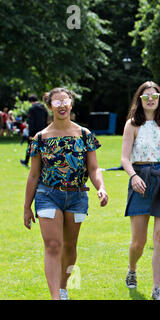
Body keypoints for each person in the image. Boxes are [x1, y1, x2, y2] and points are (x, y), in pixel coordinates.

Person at [23, 87, 108, 300]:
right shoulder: (40, 138)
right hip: (47, 194)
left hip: (77, 196)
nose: (62, 106)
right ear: (50, 106)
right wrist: (26, 207)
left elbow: (94, 168)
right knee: (53, 245)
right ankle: (55, 297)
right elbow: (33, 175)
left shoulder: (84, 134)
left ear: (71, 104)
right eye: (57, 102)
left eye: (65, 101)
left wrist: (101, 188)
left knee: (70, 246)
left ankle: (63, 288)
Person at [121, 81, 160, 300]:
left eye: (154, 95)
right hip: (141, 179)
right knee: (139, 241)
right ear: (139, 99)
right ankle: (132, 269)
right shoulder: (132, 124)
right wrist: (133, 176)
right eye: (145, 96)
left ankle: (157, 288)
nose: (150, 99)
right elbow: (124, 158)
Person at [20, 94, 48, 168]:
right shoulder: (44, 108)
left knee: (30, 147)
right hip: (43, 131)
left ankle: (26, 162)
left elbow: (31, 122)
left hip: (34, 132)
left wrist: (30, 134)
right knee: (42, 148)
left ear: (31, 101)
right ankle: (43, 164)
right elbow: (46, 120)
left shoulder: (32, 109)